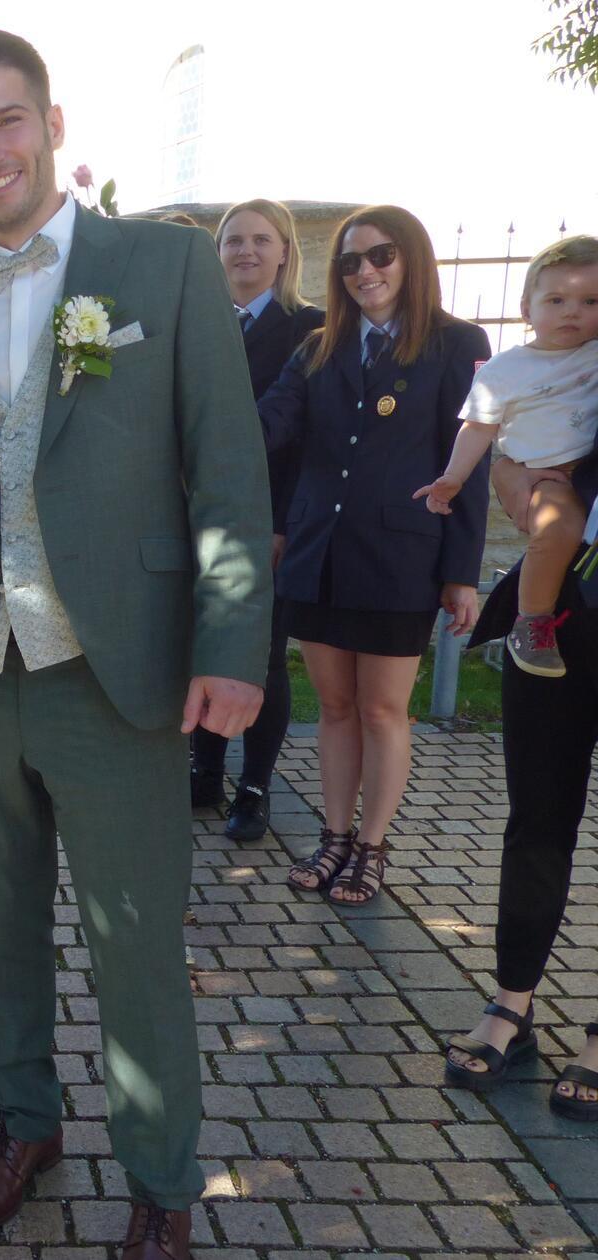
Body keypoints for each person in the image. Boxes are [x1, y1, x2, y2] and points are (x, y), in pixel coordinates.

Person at [0, 31, 272, 1257]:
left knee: (134, 942)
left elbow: (227, 474)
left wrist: (234, 642)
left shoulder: (168, 268)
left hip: (121, 673)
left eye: (9, 120)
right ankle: (24, 1126)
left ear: (53, 123)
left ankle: (161, 1182)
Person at [261, 206, 492, 908]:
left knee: (383, 711)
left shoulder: (457, 344)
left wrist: (461, 572)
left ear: (412, 257)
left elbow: (472, 461)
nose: (365, 271)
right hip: (319, 554)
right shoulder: (316, 348)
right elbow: (267, 423)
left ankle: (372, 846)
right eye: (350, 261)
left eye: (381, 255)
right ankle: (334, 837)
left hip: (400, 557)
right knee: (334, 706)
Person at [445, 457, 598, 1120]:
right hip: (563, 606)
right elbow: (509, 446)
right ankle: (512, 1002)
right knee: (536, 815)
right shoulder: (573, 358)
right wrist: (523, 481)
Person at [190, 199, 326, 841]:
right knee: (203, 645)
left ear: (284, 252)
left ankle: (255, 787)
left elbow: (310, 439)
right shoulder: (201, 320)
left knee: (262, 656)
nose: (245, 251)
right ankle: (206, 769)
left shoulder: (312, 329)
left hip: (265, 519)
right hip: (194, 518)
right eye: (233, 241)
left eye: (260, 240)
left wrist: (281, 525)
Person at [414, 234, 598, 677]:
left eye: (590, 301)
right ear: (526, 309)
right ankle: (532, 620)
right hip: (544, 477)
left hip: (582, 471)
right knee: (557, 532)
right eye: (556, 299)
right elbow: (478, 428)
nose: (572, 310)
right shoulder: (506, 369)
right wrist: (453, 478)